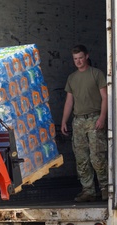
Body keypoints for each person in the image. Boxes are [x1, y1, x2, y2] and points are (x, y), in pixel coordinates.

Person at [61, 44, 108, 202]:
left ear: (86, 56)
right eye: (75, 59)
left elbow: (105, 97)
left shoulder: (97, 74)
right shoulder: (72, 78)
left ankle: (105, 188)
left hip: (94, 119)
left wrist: (102, 117)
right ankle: (88, 190)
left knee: (97, 156)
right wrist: (64, 121)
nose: (78, 61)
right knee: (81, 158)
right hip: (78, 121)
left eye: (81, 58)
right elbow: (69, 101)